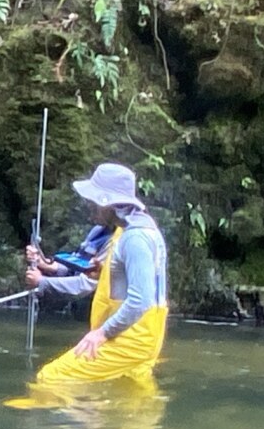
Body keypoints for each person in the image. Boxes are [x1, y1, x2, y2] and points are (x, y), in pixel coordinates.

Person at [17, 161, 168, 396]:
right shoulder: (140, 229)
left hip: (132, 337)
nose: (90, 205)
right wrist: (104, 271)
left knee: (51, 377)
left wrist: (102, 333)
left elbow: (141, 301)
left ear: (109, 202)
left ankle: (46, 414)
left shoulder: (135, 238)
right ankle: (121, 418)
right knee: (131, 389)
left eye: (94, 200)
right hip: (144, 337)